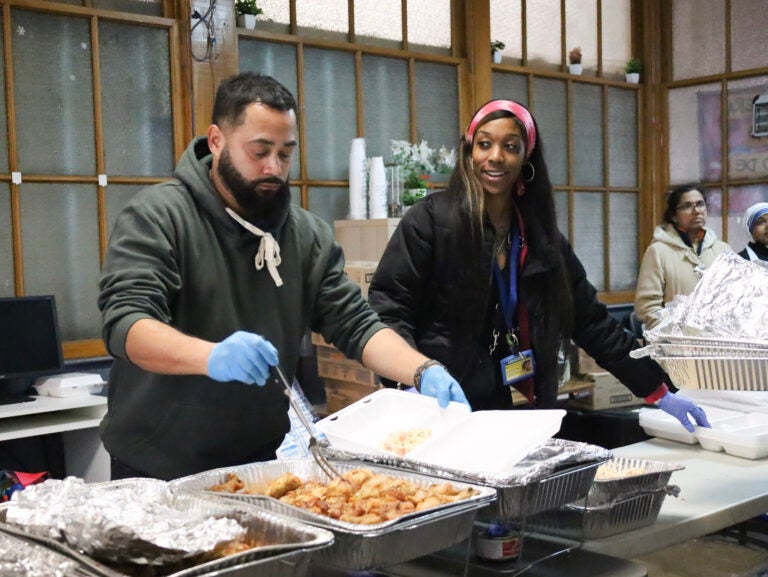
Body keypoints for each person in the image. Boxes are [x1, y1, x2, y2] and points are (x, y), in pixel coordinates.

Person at [97, 72, 468, 481]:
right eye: (259, 151)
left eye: (285, 154)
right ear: (217, 140)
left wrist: (422, 369)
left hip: (256, 463)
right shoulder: (159, 216)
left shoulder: (305, 235)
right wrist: (210, 357)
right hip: (155, 468)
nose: (273, 167)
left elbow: (356, 325)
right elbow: (127, 324)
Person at [367, 99, 710, 433]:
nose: (495, 156)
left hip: (510, 408)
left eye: (510, 146)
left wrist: (659, 390)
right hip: (437, 407)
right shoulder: (429, 221)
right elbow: (389, 309)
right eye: (484, 144)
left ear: (526, 157)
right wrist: (412, 376)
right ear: (469, 152)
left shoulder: (541, 238)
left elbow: (591, 322)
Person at [634, 184, 731, 329]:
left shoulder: (723, 249)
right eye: (687, 206)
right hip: (675, 338)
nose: (696, 211)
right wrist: (672, 333)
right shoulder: (658, 251)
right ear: (673, 215)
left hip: (719, 336)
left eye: (700, 204)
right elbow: (647, 306)